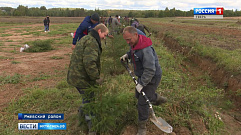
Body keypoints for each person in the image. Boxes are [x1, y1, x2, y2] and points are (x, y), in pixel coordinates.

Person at [120, 26, 167, 135]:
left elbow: (150, 70)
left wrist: (142, 83)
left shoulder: (146, 49)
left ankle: (142, 127)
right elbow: (133, 50)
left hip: (152, 77)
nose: (127, 42)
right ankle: (156, 98)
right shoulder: (135, 43)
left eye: (129, 39)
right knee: (138, 94)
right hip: (143, 75)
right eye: (125, 40)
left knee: (142, 101)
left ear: (136, 35)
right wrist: (127, 55)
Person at [67, 24, 109, 135]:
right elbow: (89, 62)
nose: (105, 37)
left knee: (86, 98)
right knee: (90, 101)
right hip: (81, 78)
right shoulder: (92, 42)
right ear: (99, 31)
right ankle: (92, 128)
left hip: (76, 75)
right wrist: (96, 78)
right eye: (105, 34)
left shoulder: (86, 38)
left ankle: (81, 117)